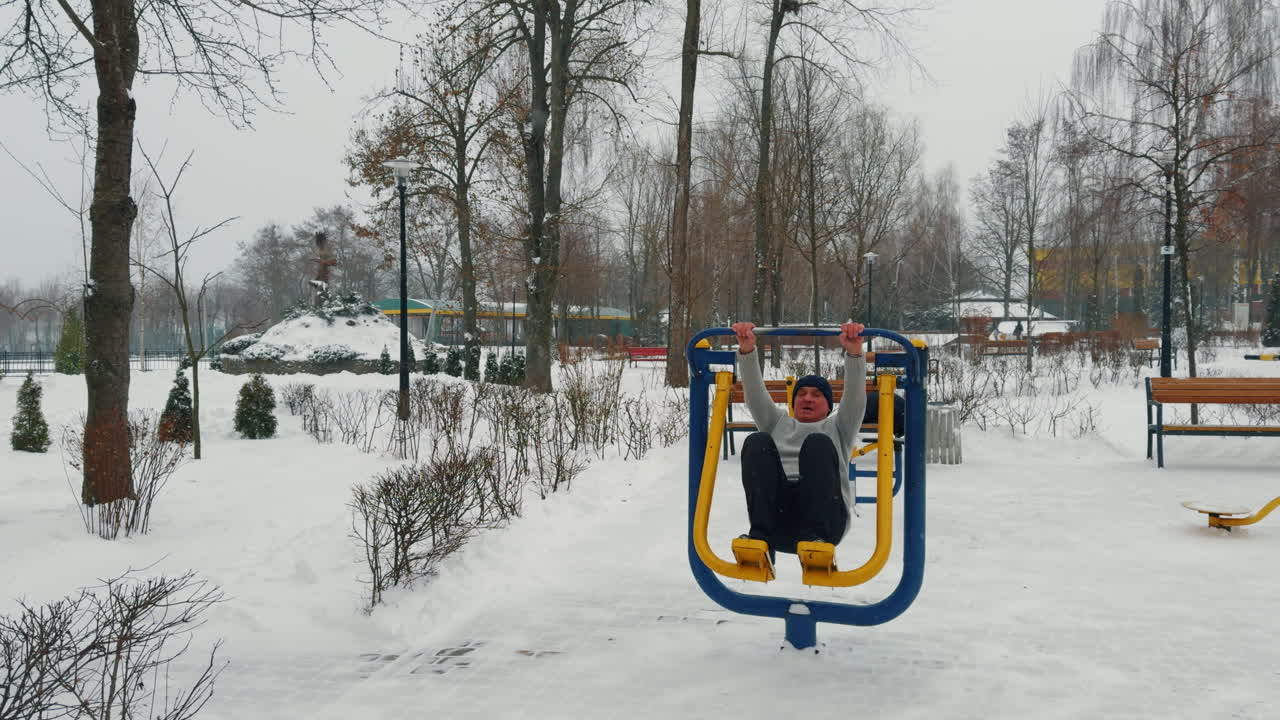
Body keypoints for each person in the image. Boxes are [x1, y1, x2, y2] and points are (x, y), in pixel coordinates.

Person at [731, 321, 867, 559]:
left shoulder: (839, 427)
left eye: (816, 395)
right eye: (801, 394)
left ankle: (816, 538)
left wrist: (854, 353)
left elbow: (855, 397)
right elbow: (754, 395)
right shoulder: (777, 423)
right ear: (793, 404)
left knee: (817, 444)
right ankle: (761, 538)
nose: (808, 398)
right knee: (756, 441)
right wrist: (747, 350)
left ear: (829, 406)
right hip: (777, 519)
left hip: (826, 522)